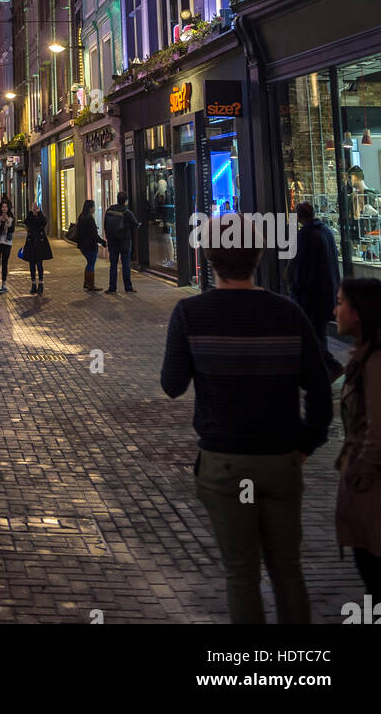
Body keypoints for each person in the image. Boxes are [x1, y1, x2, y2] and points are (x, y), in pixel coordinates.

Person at [160, 218, 332, 625]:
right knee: (288, 570)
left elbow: (172, 385)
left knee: (241, 574)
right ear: (257, 257)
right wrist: (306, 444)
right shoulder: (288, 313)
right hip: (281, 459)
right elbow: (321, 389)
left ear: (209, 259)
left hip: (225, 460)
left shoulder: (190, 313)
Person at [334, 278, 381, 603]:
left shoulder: (375, 363)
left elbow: (377, 432)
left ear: (359, 313)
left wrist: (358, 475)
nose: (334, 310)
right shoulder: (364, 357)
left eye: (340, 302)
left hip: (373, 491)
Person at [291, 202, 343, 379]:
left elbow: (305, 267)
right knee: (319, 332)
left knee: (312, 333)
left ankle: (328, 365)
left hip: (312, 295)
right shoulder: (326, 231)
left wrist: (297, 287)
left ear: (299, 216)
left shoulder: (306, 235)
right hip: (327, 291)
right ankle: (324, 367)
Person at [103, 192, 140, 294]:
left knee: (113, 266)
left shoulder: (109, 210)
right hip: (124, 243)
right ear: (126, 201)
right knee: (126, 266)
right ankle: (128, 288)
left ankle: (112, 288)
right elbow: (135, 224)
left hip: (112, 243)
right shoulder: (127, 212)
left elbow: (105, 225)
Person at [21, 203, 52, 295]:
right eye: (33, 207)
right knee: (31, 265)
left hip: (40, 243)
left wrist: (39, 213)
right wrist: (31, 213)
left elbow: (44, 222)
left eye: (36, 207)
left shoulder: (41, 216)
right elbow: (26, 222)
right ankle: (33, 284)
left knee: (39, 264)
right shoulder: (29, 216)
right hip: (31, 243)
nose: (34, 208)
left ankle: (41, 285)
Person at [76, 198, 106, 293]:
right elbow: (94, 234)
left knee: (89, 263)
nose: (95, 209)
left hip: (83, 245)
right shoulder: (89, 218)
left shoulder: (81, 216)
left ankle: (87, 283)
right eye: (94, 207)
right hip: (90, 246)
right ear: (90, 208)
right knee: (91, 264)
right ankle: (91, 285)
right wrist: (102, 241)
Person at [0, 199, 15, 293]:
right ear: (0, 208)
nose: (4, 209)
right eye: (2, 207)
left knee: (5, 263)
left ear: (8, 208)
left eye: (5, 207)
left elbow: (12, 230)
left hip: (7, 243)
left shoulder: (11, 217)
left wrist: (8, 222)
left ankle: (4, 284)